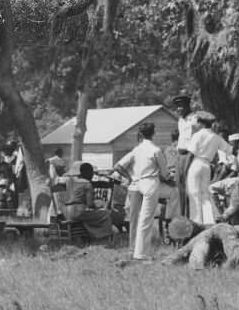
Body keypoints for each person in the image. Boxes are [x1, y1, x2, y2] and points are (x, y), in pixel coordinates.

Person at [110, 121, 169, 261]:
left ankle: (133, 248)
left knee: (135, 219)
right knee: (146, 219)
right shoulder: (156, 150)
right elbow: (165, 173)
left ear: (141, 134)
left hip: (135, 185)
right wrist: (169, 178)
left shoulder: (136, 150)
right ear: (154, 134)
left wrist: (129, 177)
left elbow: (117, 166)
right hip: (149, 183)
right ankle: (142, 252)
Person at [186, 111, 232, 227]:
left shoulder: (198, 135)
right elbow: (230, 150)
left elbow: (191, 154)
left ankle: (196, 223)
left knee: (194, 194)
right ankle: (209, 222)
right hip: (207, 166)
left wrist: (185, 169)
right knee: (205, 194)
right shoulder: (216, 137)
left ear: (201, 123)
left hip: (196, 163)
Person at [63, 162, 113, 240]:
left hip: (66, 212)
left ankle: (88, 237)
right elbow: (90, 204)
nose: (93, 176)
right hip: (78, 212)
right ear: (88, 173)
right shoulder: (87, 184)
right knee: (106, 214)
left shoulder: (70, 181)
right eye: (92, 173)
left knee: (87, 216)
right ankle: (104, 237)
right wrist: (98, 205)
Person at [172, 94, 197, 219]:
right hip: (180, 155)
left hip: (190, 155)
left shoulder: (194, 119)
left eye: (181, 106)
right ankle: (183, 216)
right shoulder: (180, 120)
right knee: (179, 187)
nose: (178, 109)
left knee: (189, 187)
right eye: (177, 107)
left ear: (187, 106)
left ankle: (191, 217)